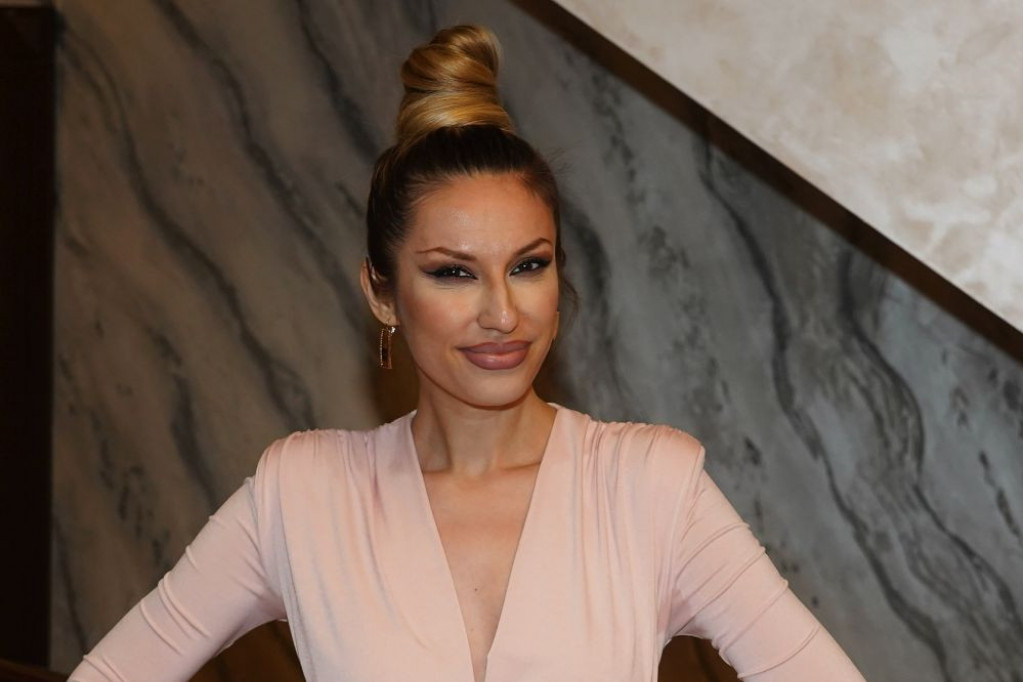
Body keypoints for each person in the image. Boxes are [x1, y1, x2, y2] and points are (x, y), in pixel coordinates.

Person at [69, 24, 866, 682]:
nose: (501, 312)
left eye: (528, 265)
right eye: (452, 272)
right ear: (382, 294)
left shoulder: (649, 488)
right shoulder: (301, 496)